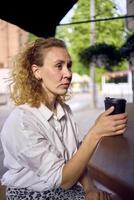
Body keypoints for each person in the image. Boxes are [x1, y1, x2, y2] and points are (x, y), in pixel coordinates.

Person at [0, 37, 127, 200]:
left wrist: (90, 188)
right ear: (37, 71)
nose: (68, 74)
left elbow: (76, 160)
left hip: (64, 187)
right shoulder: (23, 121)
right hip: (30, 193)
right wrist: (95, 133)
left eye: (68, 66)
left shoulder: (64, 110)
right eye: (58, 66)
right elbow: (63, 180)